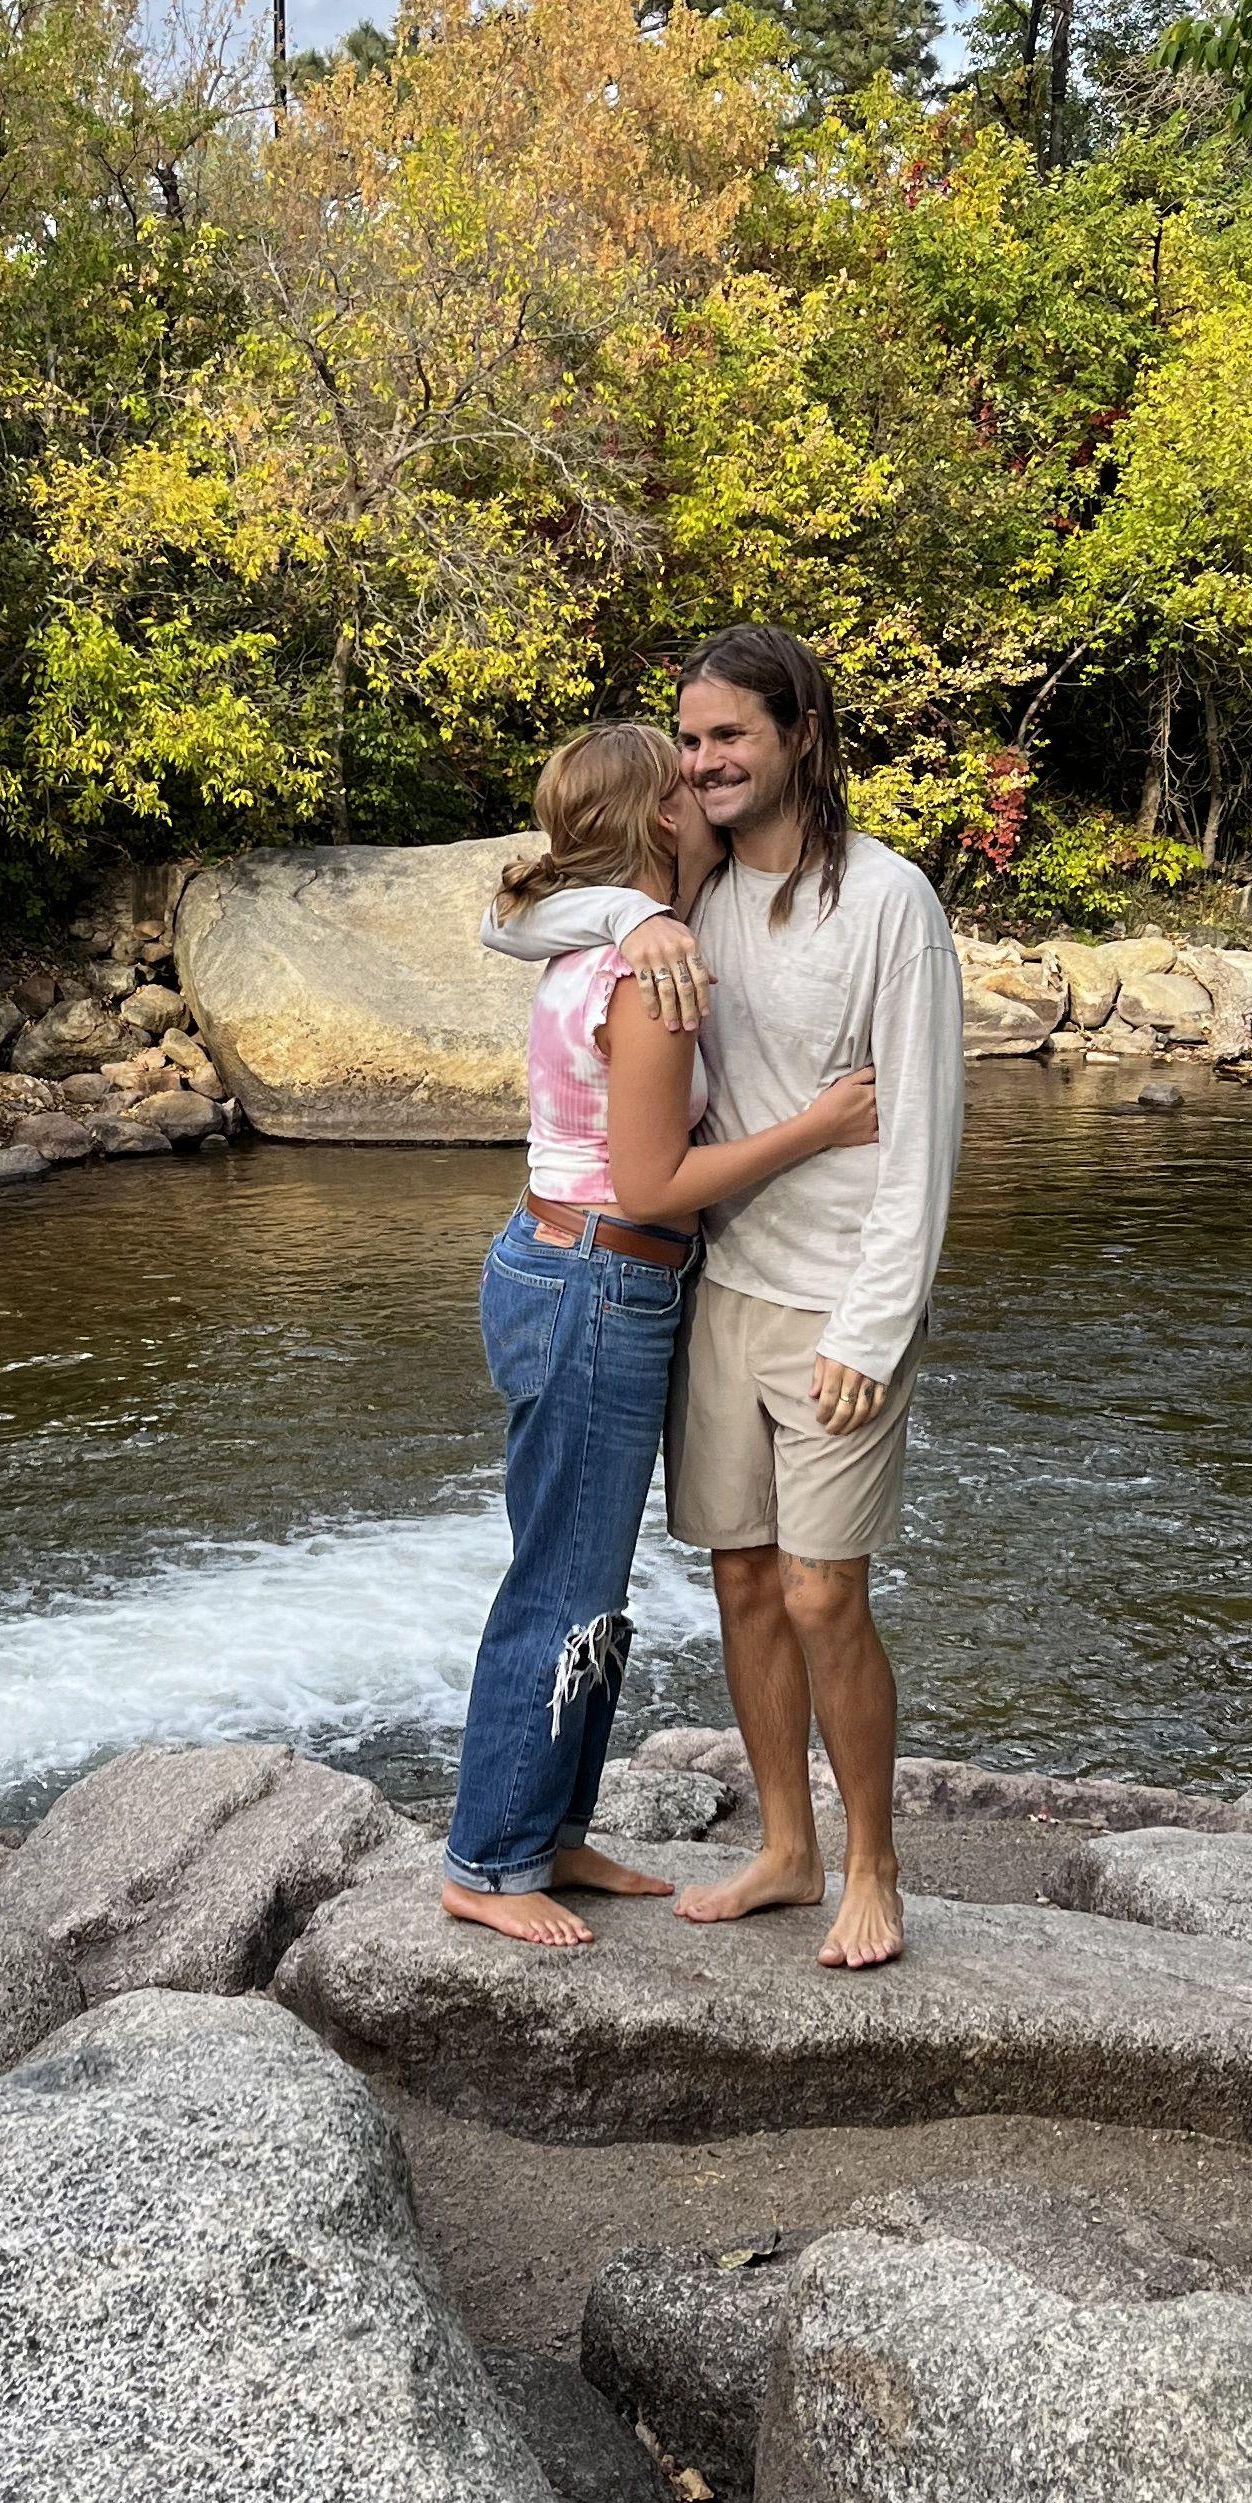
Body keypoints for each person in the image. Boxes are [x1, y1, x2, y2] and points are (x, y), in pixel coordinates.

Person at [486, 626, 965, 1968]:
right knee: (744, 1581)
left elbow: (923, 1134)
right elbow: (508, 913)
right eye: (689, 743)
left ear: (801, 733)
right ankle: (783, 1848)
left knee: (824, 1594)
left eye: (729, 738)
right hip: (719, 1288)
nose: (702, 764)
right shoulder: (683, 892)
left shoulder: (888, 902)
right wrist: (633, 911)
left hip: (837, 1303)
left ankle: (871, 1866)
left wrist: (879, 1324)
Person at [436, 720, 882, 1948]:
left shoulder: (618, 939)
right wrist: (821, 1126)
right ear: (666, 822)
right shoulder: (648, 971)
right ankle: (486, 1859)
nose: (711, 794)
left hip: (573, 1274)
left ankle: (548, 1829)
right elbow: (647, 1182)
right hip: (598, 1278)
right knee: (562, 1578)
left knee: (588, 1574)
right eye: (690, 786)